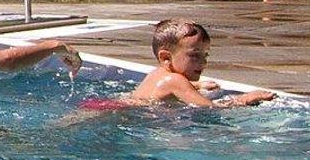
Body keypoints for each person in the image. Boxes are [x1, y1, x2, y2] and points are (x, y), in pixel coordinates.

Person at [101, 18, 275, 109]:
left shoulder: (158, 74)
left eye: (206, 55)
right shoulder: (175, 81)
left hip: (110, 105)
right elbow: (210, 108)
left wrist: (196, 85)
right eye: (194, 55)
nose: (203, 62)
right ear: (166, 58)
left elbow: (167, 90)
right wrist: (244, 99)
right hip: (124, 113)